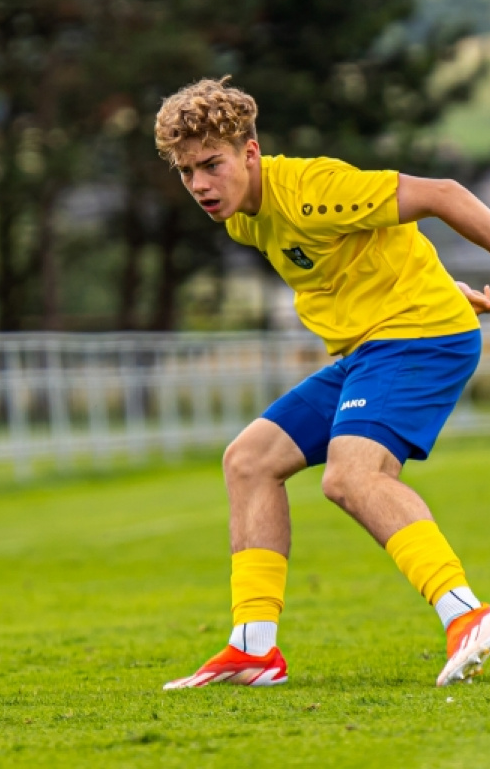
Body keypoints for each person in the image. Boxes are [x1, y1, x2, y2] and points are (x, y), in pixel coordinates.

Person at [154, 76, 490, 690]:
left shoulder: (312, 192)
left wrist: (438, 302)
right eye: (185, 172)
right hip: (371, 347)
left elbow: (441, 193)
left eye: (211, 165)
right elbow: (368, 254)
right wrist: (449, 288)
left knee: (352, 475)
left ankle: (468, 615)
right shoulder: (241, 219)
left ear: (250, 154)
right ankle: (254, 648)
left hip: (418, 338)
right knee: (250, 460)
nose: (199, 185)